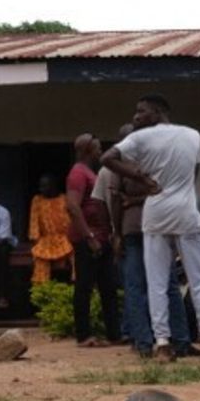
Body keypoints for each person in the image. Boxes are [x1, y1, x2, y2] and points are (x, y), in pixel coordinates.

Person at [102, 93, 200, 363]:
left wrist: (141, 177)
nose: (136, 117)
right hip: (186, 211)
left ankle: (162, 345)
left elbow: (108, 158)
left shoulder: (140, 138)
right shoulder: (193, 135)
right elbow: (195, 173)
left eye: (141, 112)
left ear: (157, 112)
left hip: (155, 212)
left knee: (157, 281)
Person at [95, 123, 193, 358]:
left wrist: (117, 230)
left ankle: (144, 343)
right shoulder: (159, 160)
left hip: (134, 229)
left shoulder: (121, 166)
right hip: (159, 226)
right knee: (168, 285)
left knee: (136, 286)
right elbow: (165, 191)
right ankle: (180, 341)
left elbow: (117, 200)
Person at [66, 133, 119, 347]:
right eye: (97, 148)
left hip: (102, 237)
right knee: (85, 287)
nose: (100, 152)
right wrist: (89, 237)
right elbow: (72, 206)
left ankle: (114, 334)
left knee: (108, 287)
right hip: (88, 239)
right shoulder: (78, 174)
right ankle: (84, 335)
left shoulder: (91, 172)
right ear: (87, 150)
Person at [28, 173, 73, 285]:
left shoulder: (65, 199)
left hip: (65, 239)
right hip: (45, 240)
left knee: (77, 256)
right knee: (40, 259)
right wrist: (35, 240)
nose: (41, 189)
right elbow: (34, 223)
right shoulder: (37, 200)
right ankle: (42, 292)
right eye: (40, 186)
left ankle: (77, 286)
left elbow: (72, 220)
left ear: (53, 186)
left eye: (44, 186)